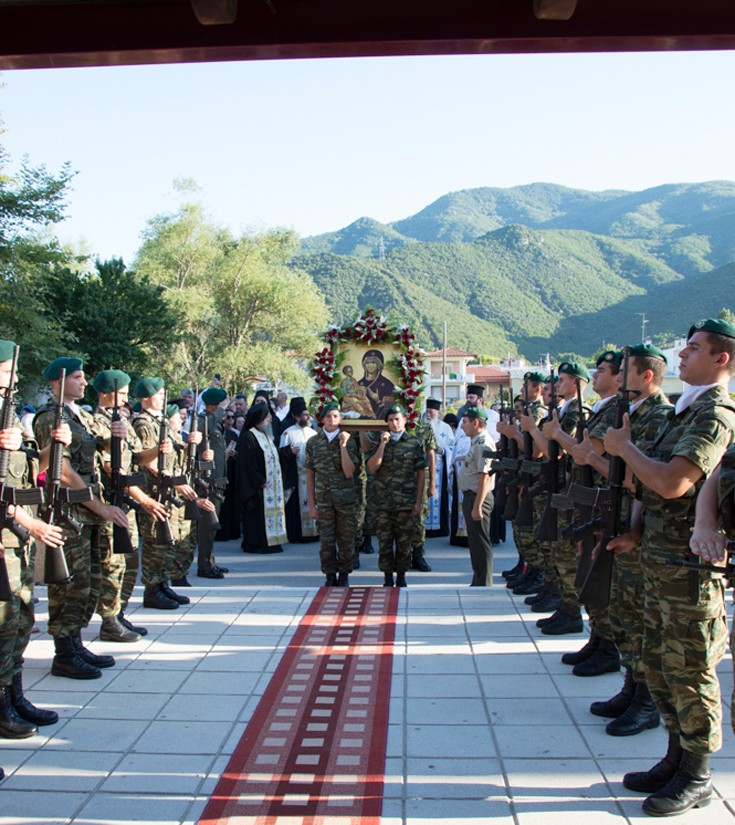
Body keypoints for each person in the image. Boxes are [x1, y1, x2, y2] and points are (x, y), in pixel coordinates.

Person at [604, 318, 735, 816]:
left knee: (689, 669)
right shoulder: (685, 411)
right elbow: (647, 484)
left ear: (721, 358)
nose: (681, 355)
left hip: (689, 568)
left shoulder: (714, 415)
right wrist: (636, 531)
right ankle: (675, 758)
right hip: (659, 557)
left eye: (693, 349)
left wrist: (625, 448)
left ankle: (697, 774)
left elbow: (672, 483)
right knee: (659, 664)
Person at [573, 344, 671, 735]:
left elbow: (638, 479)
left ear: (645, 375)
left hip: (640, 528)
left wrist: (597, 456)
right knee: (625, 614)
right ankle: (632, 688)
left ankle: (646, 702)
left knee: (641, 620)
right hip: (622, 519)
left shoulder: (659, 416)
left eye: (624, 371)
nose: (616, 379)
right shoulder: (632, 412)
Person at [33, 357, 129, 678]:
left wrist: (115, 436)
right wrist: (100, 507)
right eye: (77, 377)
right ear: (57, 382)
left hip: (86, 513)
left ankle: (75, 643)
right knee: (69, 585)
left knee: (88, 582)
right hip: (69, 511)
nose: (84, 382)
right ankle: (63, 653)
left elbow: (96, 452)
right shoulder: (50, 417)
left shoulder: (81, 416)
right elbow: (60, 468)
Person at [0, 340, 67, 735]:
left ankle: (14, 696)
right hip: (9, 535)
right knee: (3, 625)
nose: (12, 376)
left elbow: (28, 475)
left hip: (16, 541)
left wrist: (53, 447)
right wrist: (33, 524)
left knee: (20, 621)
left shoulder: (9, 416)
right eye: (6, 368)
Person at [91, 369, 167, 642]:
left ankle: (119, 612)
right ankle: (109, 620)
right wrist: (144, 500)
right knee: (112, 565)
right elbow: (111, 468)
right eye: (121, 393)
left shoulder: (122, 420)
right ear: (104, 393)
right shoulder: (98, 424)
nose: (125, 399)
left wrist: (158, 449)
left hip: (127, 502)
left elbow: (136, 460)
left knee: (129, 562)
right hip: (112, 501)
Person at [131, 377, 201, 609]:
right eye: (159, 394)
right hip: (155, 490)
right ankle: (152, 589)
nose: (163, 398)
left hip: (167, 488)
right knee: (155, 541)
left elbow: (173, 455)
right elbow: (147, 461)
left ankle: (162, 584)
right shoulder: (143, 424)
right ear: (145, 398)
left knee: (167, 542)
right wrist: (174, 482)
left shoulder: (160, 422)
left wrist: (190, 443)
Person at [365, 404, 426, 587]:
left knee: (404, 543)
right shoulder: (378, 441)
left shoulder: (415, 443)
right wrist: (383, 444)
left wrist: (418, 501)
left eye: (398, 419)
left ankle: (401, 577)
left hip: (405, 502)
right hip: (382, 503)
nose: (394, 423)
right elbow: (372, 466)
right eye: (391, 420)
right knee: (384, 543)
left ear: (405, 420)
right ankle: (387, 578)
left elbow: (421, 473)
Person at [305, 404, 359, 585]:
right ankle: (329, 575)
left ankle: (344, 575)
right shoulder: (314, 443)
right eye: (328, 416)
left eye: (336, 416)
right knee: (326, 540)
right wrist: (311, 505)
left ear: (341, 419)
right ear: (322, 420)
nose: (332, 420)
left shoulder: (349, 441)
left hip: (345, 500)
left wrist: (343, 446)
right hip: (324, 500)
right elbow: (310, 475)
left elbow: (349, 472)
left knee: (346, 539)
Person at [237, 403, 289, 554]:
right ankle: (256, 544)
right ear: (259, 419)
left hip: (271, 485)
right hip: (258, 486)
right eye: (267, 417)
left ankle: (273, 541)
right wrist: (259, 480)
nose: (270, 419)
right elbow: (247, 463)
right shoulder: (249, 436)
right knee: (257, 515)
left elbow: (273, 457)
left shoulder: (266, 435)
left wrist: (287, 452)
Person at [457, 407, 495, 586]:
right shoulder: (476, 441)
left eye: (465, 422)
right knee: (475, 543)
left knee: (481, 543)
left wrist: (477, 506)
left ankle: (484, 583)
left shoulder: (483, 444)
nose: (462, 426)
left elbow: (484, 477)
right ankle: (478, 579)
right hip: (471, 496)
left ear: (476, 423)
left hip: (477, 498)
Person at [195, 387, 230, 578]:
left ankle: (210, 561)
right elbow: (202, 428)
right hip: (208, 481)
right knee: (207, 525)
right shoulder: (204, 420)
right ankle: (204, 565)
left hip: (218, 479)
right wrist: (220, 410)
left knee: (212, 524)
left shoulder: (215, 424)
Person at [280, 398, 319, 544]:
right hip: (296, 477)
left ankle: (314, 533)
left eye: (308, 415)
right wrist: (289, 452)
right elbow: (280, 455)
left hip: (312, 476)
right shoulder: (288, 433)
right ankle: (297, 534)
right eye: (304, 415)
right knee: (296, 506)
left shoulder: (313, 433)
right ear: (296, 417)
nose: (308, 418)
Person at [423, 399, 454, 538]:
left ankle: (440, 528)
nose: (428, 414)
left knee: (439, 497)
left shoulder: (446, 428)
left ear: (438, 413)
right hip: (424, 466)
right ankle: (424, 528)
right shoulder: (420, 426)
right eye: (427, 411)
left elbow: (453, 447)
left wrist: (443, 450)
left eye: (431, 412)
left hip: (440, 468)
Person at [358, 350, 396, 418]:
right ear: (364, 365)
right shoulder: (359, 383)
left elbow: (392, 408)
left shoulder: (387, 384)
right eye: (367, 363)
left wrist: (378, 401)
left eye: (373, 363)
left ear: (379, 365)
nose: (370, 365)